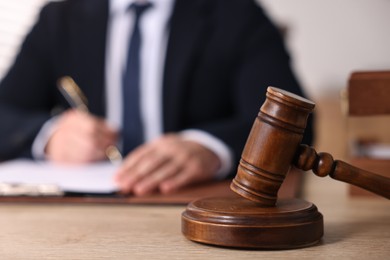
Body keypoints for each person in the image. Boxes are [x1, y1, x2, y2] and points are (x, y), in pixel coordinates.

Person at [0, 0, 313, 196]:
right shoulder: (60, 19)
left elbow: (297, 122)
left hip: (195, 205)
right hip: (83, 214)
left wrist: (210, 147)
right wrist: (49, 135)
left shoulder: (237, 14)